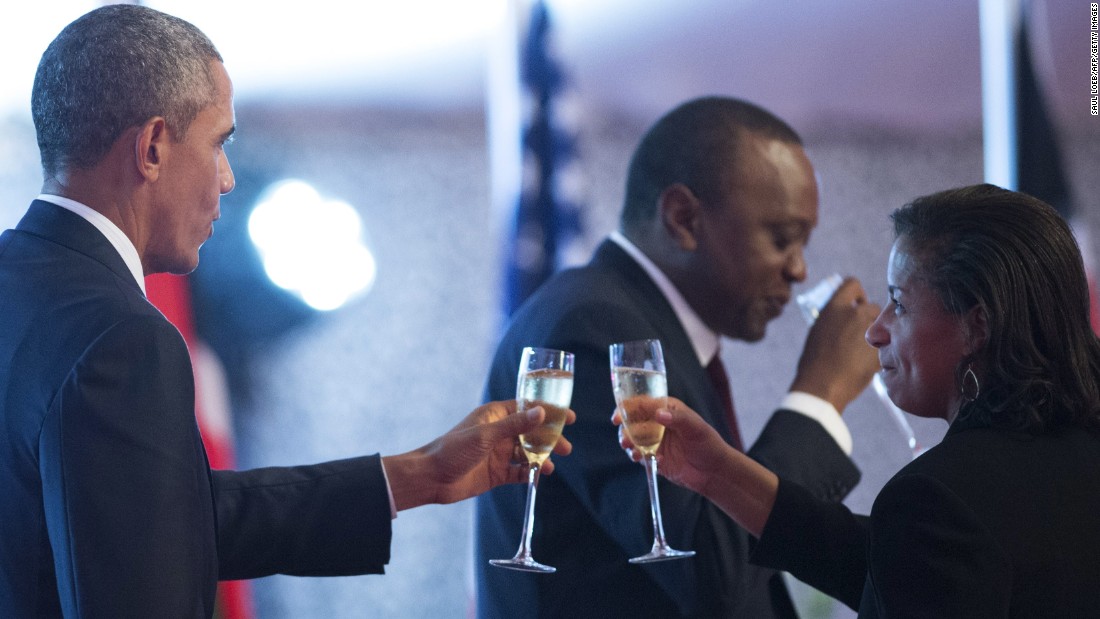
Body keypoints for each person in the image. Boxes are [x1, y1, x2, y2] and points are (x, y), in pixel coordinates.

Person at [0, 6, 573, 617]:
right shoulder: (125, 337)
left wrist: (422, 474)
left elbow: (160, 522)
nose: (226, 179)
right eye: (219, 144)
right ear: (152, 148)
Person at [475, 96, 881, 618]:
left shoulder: (643, 324)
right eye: (782, 239)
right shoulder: (595, 329)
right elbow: (710, 569)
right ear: (683, 217)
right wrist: (819, 395)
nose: (799, 269)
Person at [620, 184, 1100, 617]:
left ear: (977, 326)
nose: (875, 329)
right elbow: (891, 566)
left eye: (900, 302)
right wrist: (718, 472)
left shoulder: (941, 496)